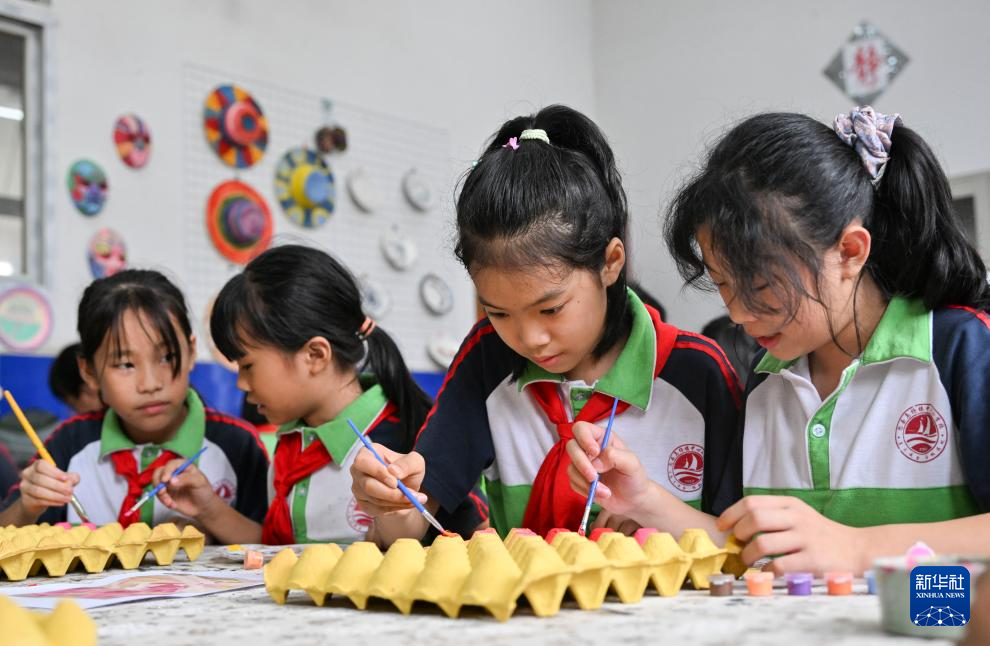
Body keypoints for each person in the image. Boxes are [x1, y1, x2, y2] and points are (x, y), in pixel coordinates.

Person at [568, 107, 990, 575]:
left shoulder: (959, 348)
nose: (738, 313)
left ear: (850, 252)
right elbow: (746, 546)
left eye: (761, 285)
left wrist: (857, 548)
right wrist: (643, 499)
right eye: (723, 283)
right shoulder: (768, 378)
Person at [350, 105, 741, 543]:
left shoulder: (695, 373)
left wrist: (650, 506)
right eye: (499, 313)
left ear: (610, 262)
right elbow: (412, 527)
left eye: (551, 309)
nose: (530, 340)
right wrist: (391, 501)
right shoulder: (488, 358)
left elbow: (743, 547)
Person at [152, 245, 487, 544]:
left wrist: (392, 514)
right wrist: (209, 509)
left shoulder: (408, 438)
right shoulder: (293, 440)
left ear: (314, 355)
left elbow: (456, 540)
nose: (240, 383)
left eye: (247, 365)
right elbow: (278, 549)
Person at [0, 269, 269, 536]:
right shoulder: (70, 443)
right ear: (89, 371)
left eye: (166, 357)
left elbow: (271, 544)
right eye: (125, 364)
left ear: (190, 352)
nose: (150, 384)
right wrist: (27, 507)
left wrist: (211, 512)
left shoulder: (237, 444)